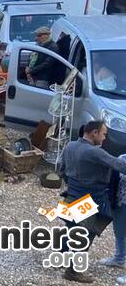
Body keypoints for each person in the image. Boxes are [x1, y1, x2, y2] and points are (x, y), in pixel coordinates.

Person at [58, 120, 126, 283]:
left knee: (71, 229)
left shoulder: (70, 146)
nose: (104, 139)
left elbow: (61, 169)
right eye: (103, 134)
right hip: (90, 199)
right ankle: (73, 272)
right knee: (85, 236)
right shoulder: (95, 153)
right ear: (94, 133)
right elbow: (121, 166)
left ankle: (62, 258)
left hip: (72, 196)